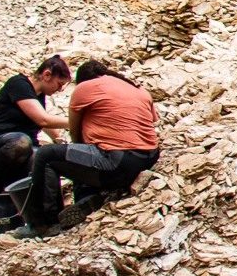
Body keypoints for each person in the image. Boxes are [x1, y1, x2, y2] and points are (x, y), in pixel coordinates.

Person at [18, 60, 161, 236]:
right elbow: (152, 121)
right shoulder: (137, 89)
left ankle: (43, 223)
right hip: (148, 158)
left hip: (118, 162)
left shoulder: (85, 88)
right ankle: (88, 199)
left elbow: (76, 134)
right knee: (87, 152)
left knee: (47, 156)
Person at [0, 55, 71, 193]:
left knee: (44, 159)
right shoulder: (18, 84)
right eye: (59, 84)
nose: (59, 89)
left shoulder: (38, 95)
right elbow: (43, 119)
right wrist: (76, 121)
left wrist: (59, 141)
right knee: (20, 142)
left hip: (17, 150)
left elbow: (42, 122)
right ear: (47, 75)